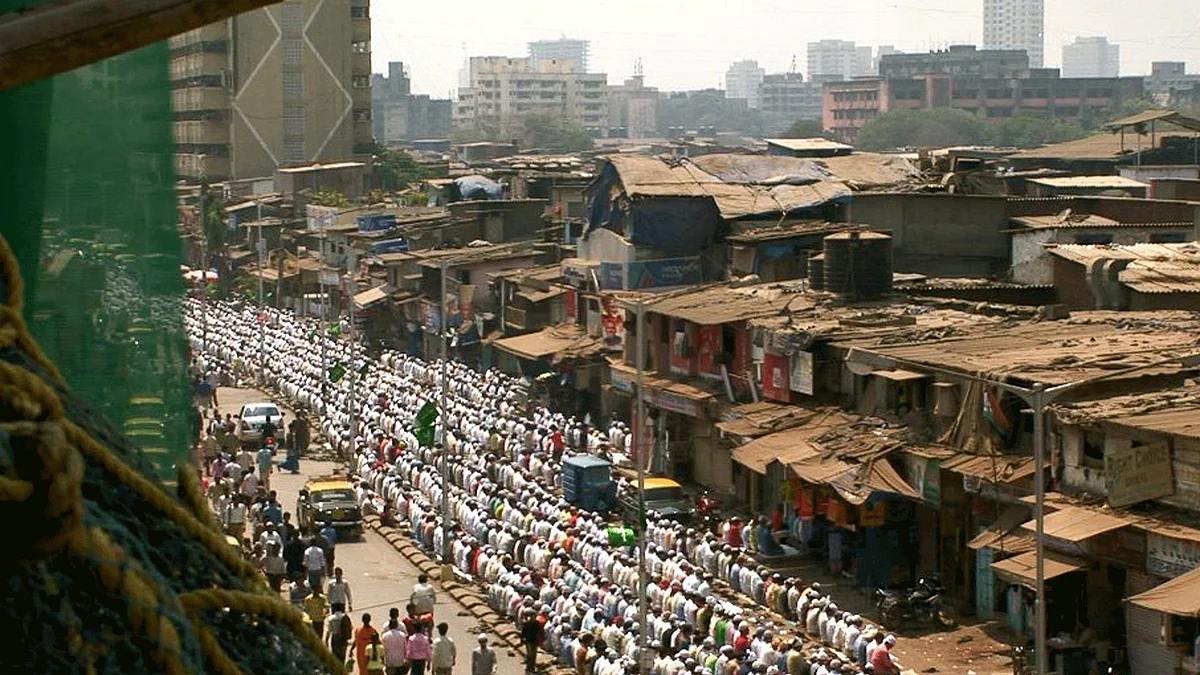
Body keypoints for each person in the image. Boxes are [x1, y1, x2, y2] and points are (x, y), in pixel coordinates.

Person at [326, 602, 353, 668]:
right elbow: (350, 628)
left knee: (335, 656)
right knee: (342, 656)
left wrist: (326, 640)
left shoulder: (331, 618)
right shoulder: (345, 617)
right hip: (343, 639)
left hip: (334, 638)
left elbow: (329, 630)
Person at [521, 608, 544, 674]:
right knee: (530, 655)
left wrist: (541, 638)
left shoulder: (537, 623)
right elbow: (523, 632)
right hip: (528, 641)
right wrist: (522, 639)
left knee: (534, 654)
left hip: (534, 640)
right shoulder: (527, 623)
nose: (533, 617)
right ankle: (528, 668)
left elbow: (541, 631)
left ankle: (532, 667)